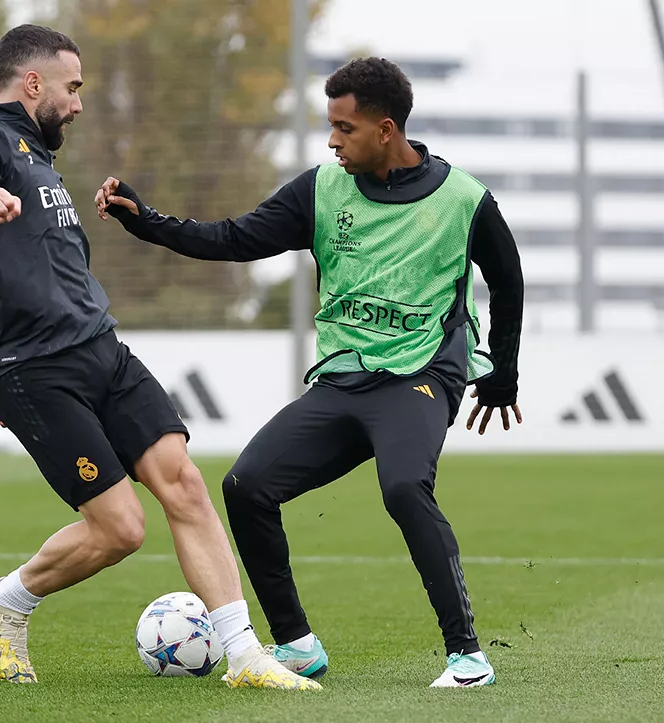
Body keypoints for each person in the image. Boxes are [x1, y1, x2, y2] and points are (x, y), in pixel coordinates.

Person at [95, 57, 524, 688]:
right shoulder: (322, 190)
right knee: (246, 487)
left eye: (344, 129)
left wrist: (503, 373)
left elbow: (508, 279)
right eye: (330, 127)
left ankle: (467, 656)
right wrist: (147, 222)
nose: (332, 141)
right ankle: (296, 643)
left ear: (385, 129)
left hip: (421, 375)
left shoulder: (463, 198)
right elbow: (235, 239)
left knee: (404, 487)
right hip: (343, 380)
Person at [0, 24, 319, 691]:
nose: (78, 102)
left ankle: (246, 656)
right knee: (120, 528)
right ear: (32, 83)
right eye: (72, 87)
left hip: (100, 348)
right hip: (34, 367)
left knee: (186, 483)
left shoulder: (34, 151)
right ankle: (4, 602)